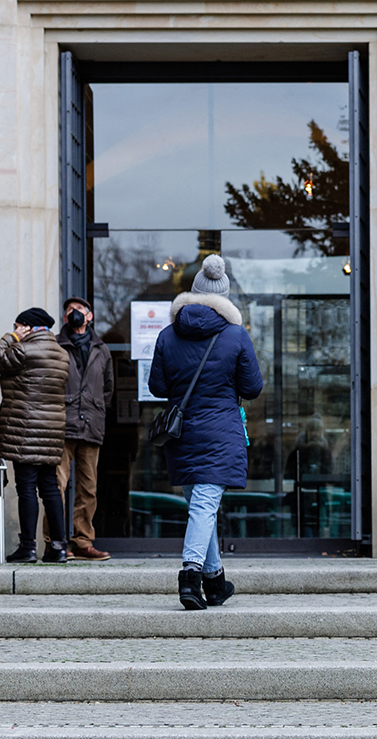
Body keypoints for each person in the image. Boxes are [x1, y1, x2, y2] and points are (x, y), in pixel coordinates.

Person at [148, 255, 263, 610]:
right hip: (220, 433)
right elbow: (253, 386)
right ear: (224, 299)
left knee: (201, 506)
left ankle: (214, 582)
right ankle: (190, 576)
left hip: (182, 436)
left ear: (194, 292)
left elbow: (156, 386)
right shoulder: (235, 335)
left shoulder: (168, 335)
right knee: (204, 506)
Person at [0, 307, 70, 563]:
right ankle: (58, 547)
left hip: (25, 430)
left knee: (27, 488)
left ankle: (28, 547)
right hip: (52, 432)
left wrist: (12, 336)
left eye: (18, 325)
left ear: (26, 326)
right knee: (50, 489)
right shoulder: (61, 354)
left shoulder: (22, 350)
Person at [57, 295, 115, 561]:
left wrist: (96, 408)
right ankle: (56, 543)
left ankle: (82, 542)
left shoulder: (101, 349)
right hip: (62, 424)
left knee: (88, 487)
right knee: (56, 485)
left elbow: (108, 389)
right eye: (69, 310)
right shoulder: (57, 346)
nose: (73, 313)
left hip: (91, 425)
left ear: (89, 316)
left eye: (78, 309)